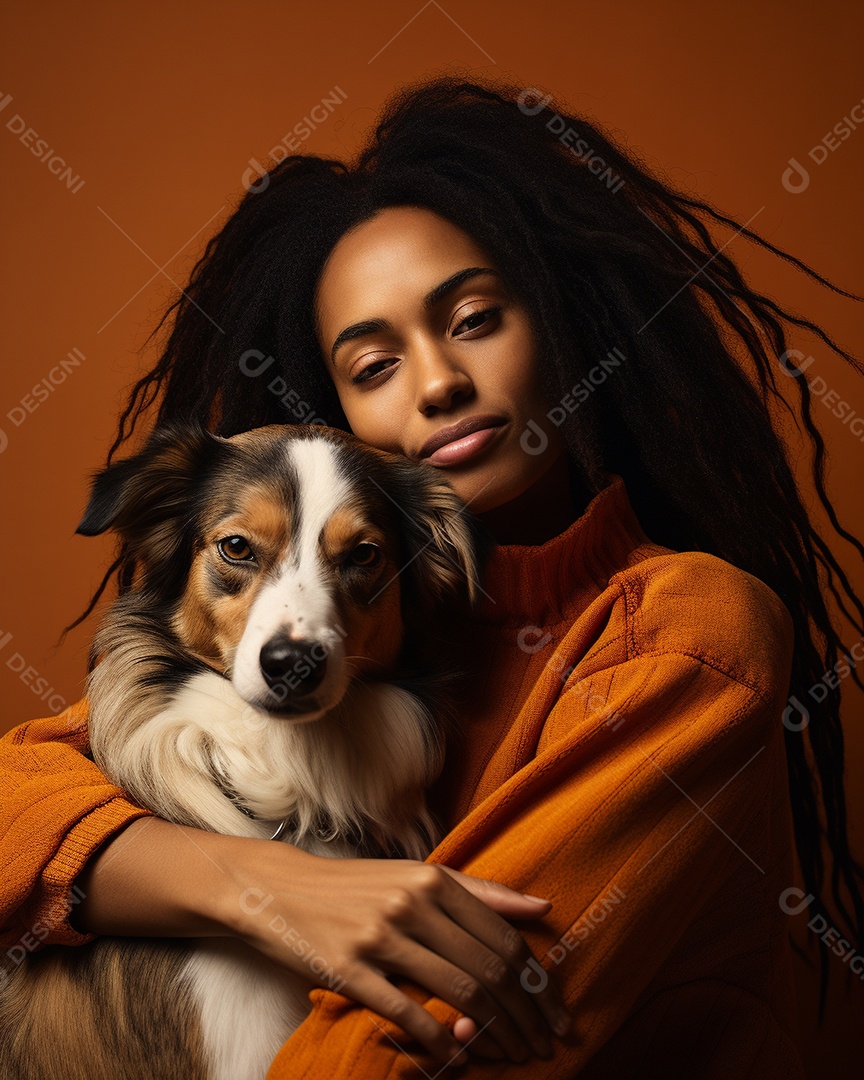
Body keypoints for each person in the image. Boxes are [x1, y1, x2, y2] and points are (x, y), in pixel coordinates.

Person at [2, 74, 862, 1077]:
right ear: (339, 429)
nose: (440, 383)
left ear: (562, 323)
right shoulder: (362, 631)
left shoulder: (685, 635)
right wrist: (258, 884)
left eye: (473, 320)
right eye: (372, 367)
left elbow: (413, 1041)